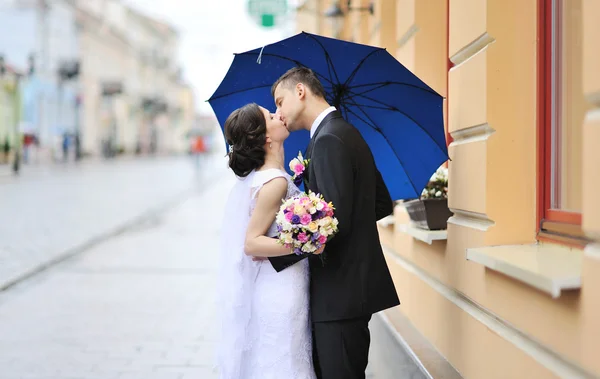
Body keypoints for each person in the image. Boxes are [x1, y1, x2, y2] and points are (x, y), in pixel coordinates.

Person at [271, 66, 400, 379]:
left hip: (339, 295)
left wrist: (273, 254)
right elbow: (380, 202)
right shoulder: (344, 133)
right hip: (352, 292)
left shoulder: (328, 140)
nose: (279, 111)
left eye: (279, 101)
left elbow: (329, 225)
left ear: (300, 91)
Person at [216, 103, 319, 379]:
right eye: (272, 116)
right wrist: (305, 242)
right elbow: (251, 243)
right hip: (281, 287)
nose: (279, 114)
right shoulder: (275, 183)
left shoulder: (266, 178)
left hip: (277, 283)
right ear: (266, 138)